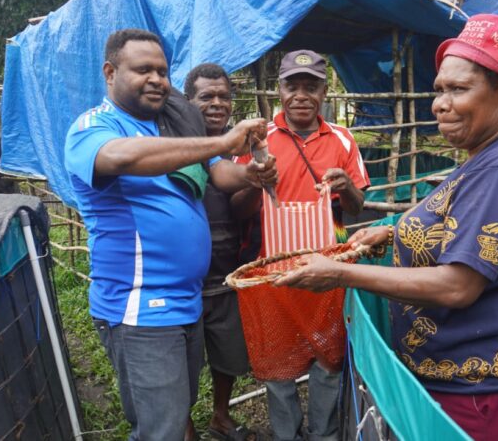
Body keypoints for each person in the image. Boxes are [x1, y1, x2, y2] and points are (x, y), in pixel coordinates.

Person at [275, 15, 498, 441]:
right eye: (439, 89)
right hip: (461, 377)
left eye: (459, 89)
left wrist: (339, 273)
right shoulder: (488, 153)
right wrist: (390, 232)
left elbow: (457, 286)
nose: (440, 104)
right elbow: (453, 218)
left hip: (483, 389)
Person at [64, 29, 276, 441]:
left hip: (185, 301)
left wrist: (249, 172)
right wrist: (221, 139)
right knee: (161, 428)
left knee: (176, 412)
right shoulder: (93, 127)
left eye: (162, 71)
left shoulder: (172, 129)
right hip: (140, 306)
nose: (157, 79)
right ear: (110, 72)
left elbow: (217, 169)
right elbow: (123, 157)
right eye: (143, 69)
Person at [233, 50, 370, 441]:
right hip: (272, 273)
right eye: (293, 85)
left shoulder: (342, 139)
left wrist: (345, 187)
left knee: (329, 362)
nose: (301, 95)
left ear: (325, 91)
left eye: (311, 86)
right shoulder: (260, 141)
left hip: (328, 274)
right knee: (278, 364)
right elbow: (237, 207)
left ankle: (324, 433)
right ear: (280, 90)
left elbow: (357, 208)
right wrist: (253, 181)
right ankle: (286, 434)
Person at [183, 63, 256, 441]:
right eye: (206, 97)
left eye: (223, 96)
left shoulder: (242, 148)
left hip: (227, 273)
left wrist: (257, 181)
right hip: (184, 283)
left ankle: (220, 416)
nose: (216, 104)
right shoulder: (175, 147)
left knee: (227, 355)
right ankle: (186, 426)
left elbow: (238, 209)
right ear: (188, 101)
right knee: (181, 365)